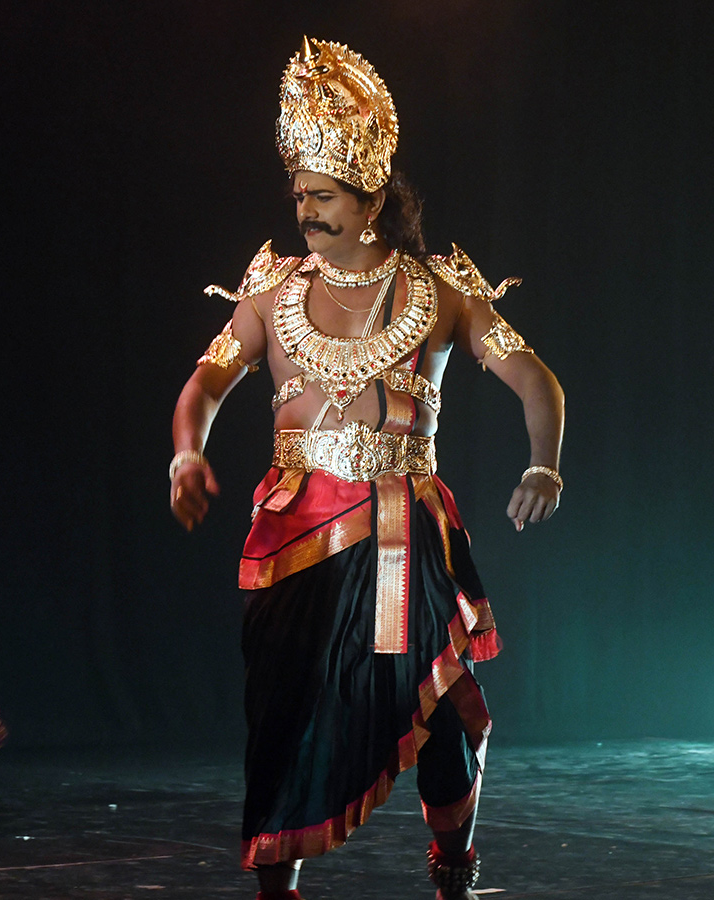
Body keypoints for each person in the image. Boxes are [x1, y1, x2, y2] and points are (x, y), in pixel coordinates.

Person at [169, 38, 564, 900]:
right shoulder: (269, 296)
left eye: (323, 196)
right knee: (285, 714)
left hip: (403, 534)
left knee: (438, 707)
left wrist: (546, 463)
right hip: (294, 535)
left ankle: (452, 868)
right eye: (301, 194)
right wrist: (187, 449)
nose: (305, 210)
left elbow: (534, 378)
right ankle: (279, 884)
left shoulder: (441, 293)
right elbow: (203, 384)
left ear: (372, 196)